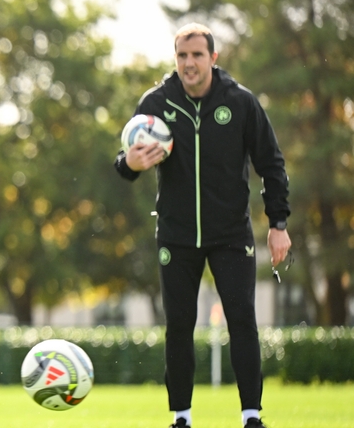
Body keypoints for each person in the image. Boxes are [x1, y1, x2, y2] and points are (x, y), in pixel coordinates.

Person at [114, 23, 291, 428]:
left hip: (230, 235)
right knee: (178, 326)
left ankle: (251, 417)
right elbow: (124, 162)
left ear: (213, 57)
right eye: (182, 55)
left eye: (197, 54)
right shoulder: (156, 103)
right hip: (176, 236)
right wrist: (130, 163)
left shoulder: (241, 102)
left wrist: (278, 222)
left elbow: (271, 163)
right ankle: (181, 418)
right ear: (175, 59)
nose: (189, 63)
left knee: (242, 321)